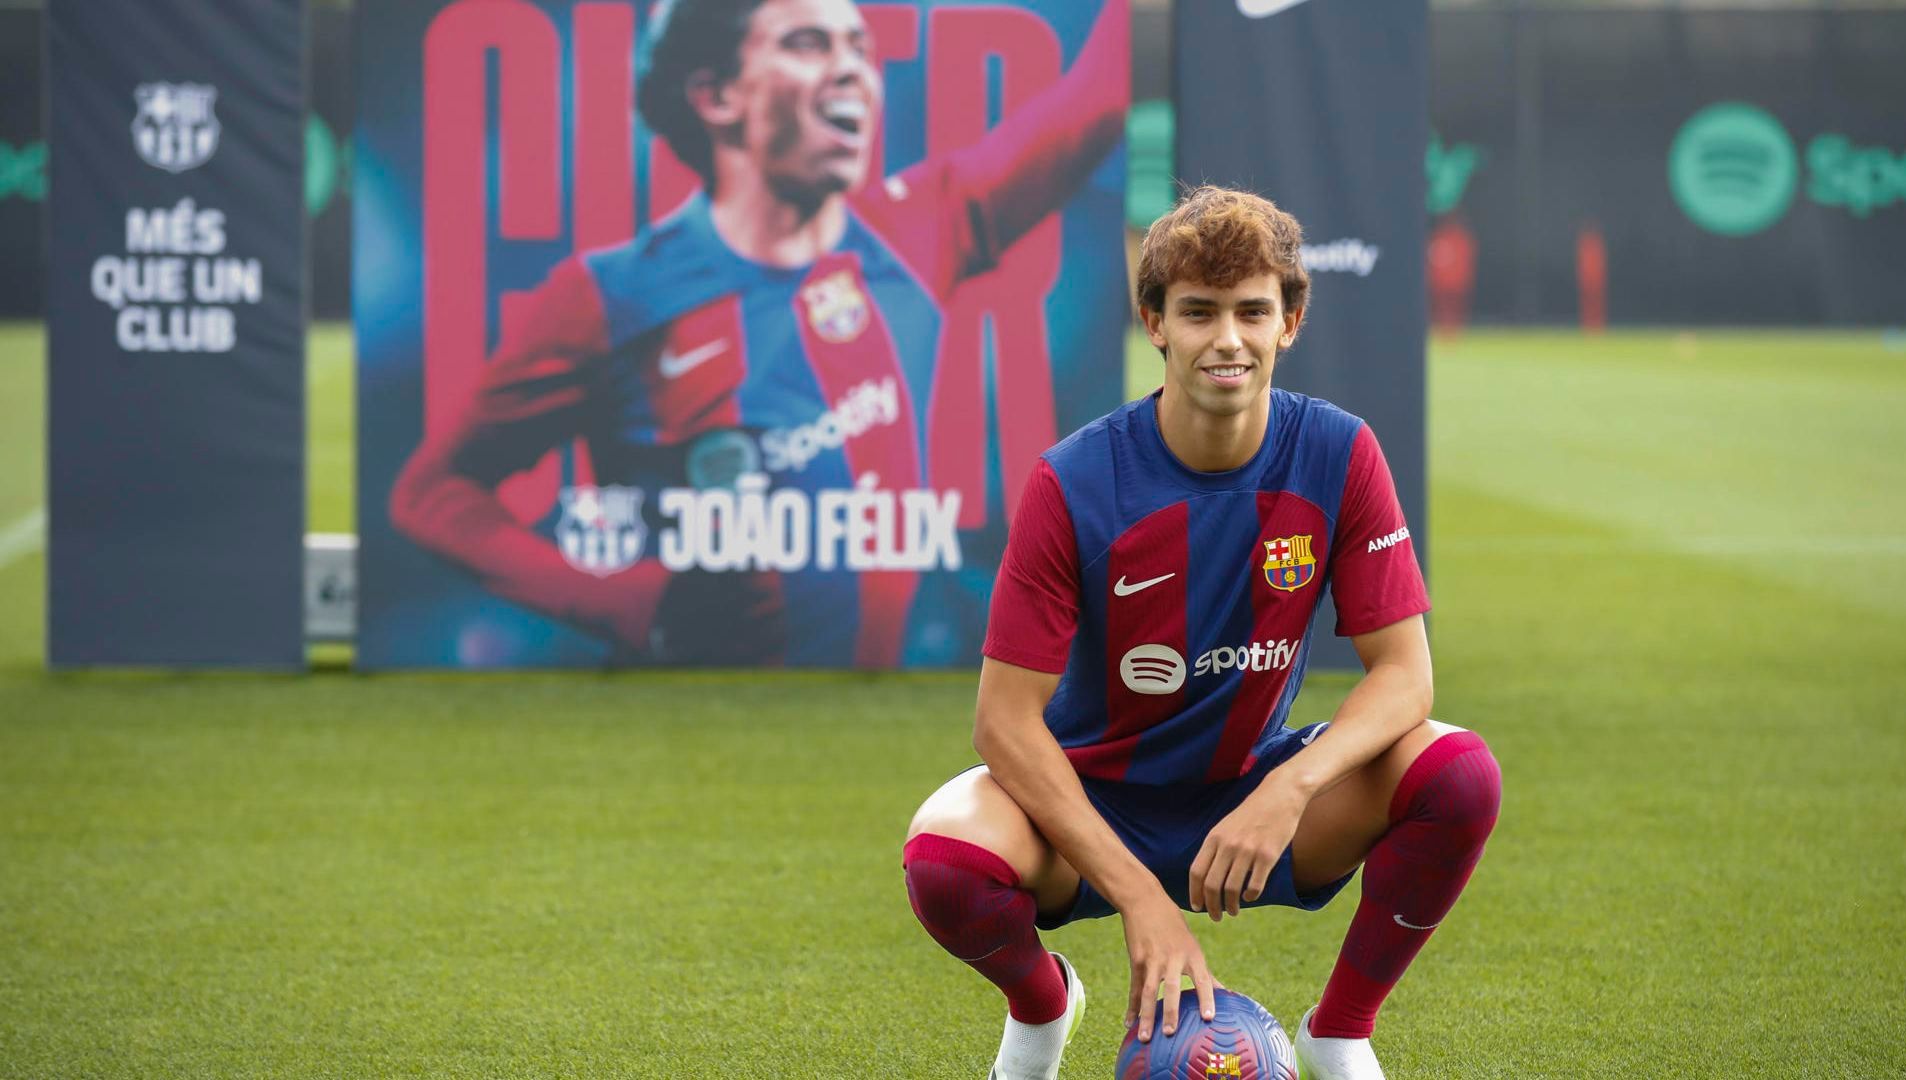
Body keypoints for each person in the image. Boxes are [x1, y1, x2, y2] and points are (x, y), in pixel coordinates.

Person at [902, 186, 1502, 1080]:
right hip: (1093, 799)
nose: (1228, 339)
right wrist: (1141, 897)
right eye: (1199, 312)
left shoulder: (1340, 452)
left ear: (1290, 320)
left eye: (1253, 311)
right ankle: (1043, 1011)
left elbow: (1405, 677)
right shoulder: (1073, 481)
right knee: (944, 859)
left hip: (1249, 788)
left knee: (1458, 775)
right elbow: (1003, 724)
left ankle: (1339, 1033)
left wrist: (1289, 788)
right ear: (1154, 322)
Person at [391, 0, 1126, 667]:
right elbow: (433, 494)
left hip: (896, 696)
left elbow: (1098, 98)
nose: (852, 72)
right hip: (694, 712)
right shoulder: (608, 295)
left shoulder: (921, 224)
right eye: (809, 44)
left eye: (859, 49)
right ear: (716, 96)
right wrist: (625, 602)